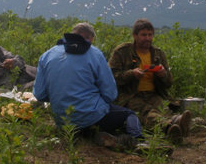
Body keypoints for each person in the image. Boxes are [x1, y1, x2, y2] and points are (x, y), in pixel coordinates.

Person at [34, 22, 143, 150]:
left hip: (62, 120)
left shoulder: (47, 55)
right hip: (92, 116)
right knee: (129, 114)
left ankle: (86, 133)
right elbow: (110, 94)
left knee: (87, 119)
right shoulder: (94, 54)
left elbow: (39, 94)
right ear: (89, 38)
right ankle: (136, 141)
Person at [108, 18, 191, 143]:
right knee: (147, 112)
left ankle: (177, 124)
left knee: (163, 109)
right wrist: (131, 74)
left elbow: (169, 83)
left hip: (153, 94)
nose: (147, 38)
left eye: (150, 35)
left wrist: (163, 74)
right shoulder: (122, 52)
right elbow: (111, 76)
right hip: (130, 96)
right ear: (135, 36)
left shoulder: (158, 54)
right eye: (143, 35)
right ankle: (168, 128)